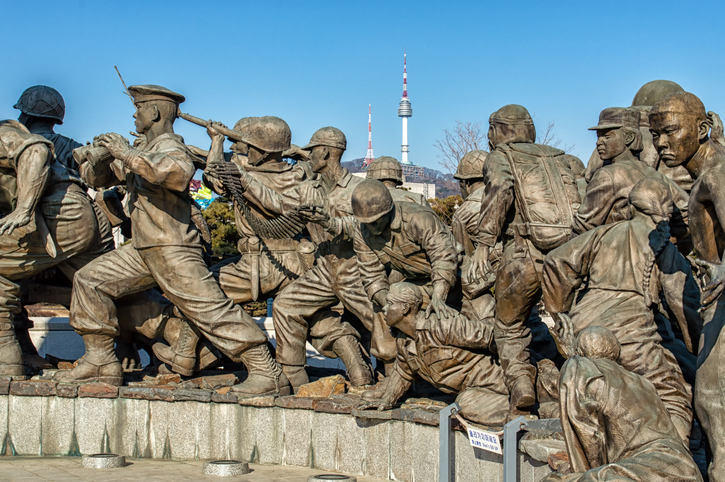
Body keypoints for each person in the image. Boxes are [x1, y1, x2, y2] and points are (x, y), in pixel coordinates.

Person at [54, 85, 290, 397]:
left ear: (153, 113)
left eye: (139, 109)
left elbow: (178, 175)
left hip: (173, 248)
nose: (134, 114)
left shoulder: (171, 149)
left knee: (210, 310)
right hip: (142, 249)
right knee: (89, 281)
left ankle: (265, 370)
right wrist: (99, 156)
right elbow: (98, 178)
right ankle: (101, 360)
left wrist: (126, 152)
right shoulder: (142, 150)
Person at [153, 116, 320, 375]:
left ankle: (185, 355)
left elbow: (213, 177)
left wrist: (217, 142)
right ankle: (214, 354)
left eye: (249, 146)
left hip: (262, 264)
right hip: (298, 262)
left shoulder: (243, 175)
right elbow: (214, 176)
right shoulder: (300, 174)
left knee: (201, 289)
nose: (245, 150)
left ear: (262, 153)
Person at [542, 178, 699, 443]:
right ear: (664, 211)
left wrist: (561, 315)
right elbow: (681, 302)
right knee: (672, 394)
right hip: (630, 330)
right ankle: (673, 456)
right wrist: (696, 346)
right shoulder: (661, 244)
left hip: (584, 324)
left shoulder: (604, 233)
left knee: (598, 387)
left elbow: (556, 260)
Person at [467, 104, 584, 413]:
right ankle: (581, 388)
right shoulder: (562, 158)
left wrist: (483, 244)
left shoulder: (501, 156)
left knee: (508, 324)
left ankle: (520, 386)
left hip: (524, 252)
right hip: (569, 254)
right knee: (568, 324)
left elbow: (501, 191)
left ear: (497, 131)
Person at [650, 91, 725, 479]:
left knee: (714, 400)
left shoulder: (716, 174)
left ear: (703, 129)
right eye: (655, 134)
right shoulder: (703, 176)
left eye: (670, 131)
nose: (661, 143)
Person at [0, 119, 112, 375]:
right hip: (77, 213)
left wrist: (23, 209)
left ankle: (6, 358)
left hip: (60, 215)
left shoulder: (4, 134)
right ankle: (110, 357)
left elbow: (36, 150)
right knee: (102, 286)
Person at [542, 326, 701, 482]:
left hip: (644, 470)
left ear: (581, 352)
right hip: (685, 468)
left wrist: (586, 473)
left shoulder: (581, 366)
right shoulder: (643, 382)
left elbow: (586, 430)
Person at [358, 282, 509, 427]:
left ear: (405, 308)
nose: (384, 309)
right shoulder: (404, 342)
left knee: (464, 404)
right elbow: (403, 373)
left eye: (390, 303)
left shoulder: (442, 324)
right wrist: (387, 400)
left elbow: (493, 337)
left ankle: (519, 411)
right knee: (463, 403)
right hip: (474, 391)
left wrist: (518, 374)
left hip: (497, 384)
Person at [351, 179, 460, 320]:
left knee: (474, 327)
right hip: (419, 284)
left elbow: (443, 257)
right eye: (366, 223)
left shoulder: (418, 218)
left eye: (376, 221)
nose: (371, 227)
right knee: (381, 317)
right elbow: (371, 276)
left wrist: (439, 297)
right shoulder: (362, 233)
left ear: (388, 211)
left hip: (455, 277)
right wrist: (388, 305)